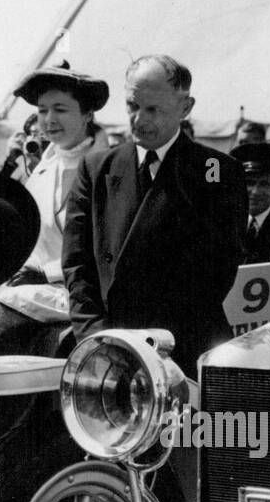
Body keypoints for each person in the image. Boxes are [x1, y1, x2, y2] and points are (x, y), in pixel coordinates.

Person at [0, 65, 113, 445]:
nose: (49, 120)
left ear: (87, 114)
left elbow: (101, 251)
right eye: (43, 111)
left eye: (60, 110)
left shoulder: (105, 167)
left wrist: (43, 273)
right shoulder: (46, 161)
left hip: (79, 292)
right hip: (38, 283)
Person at [62, 54, 246, 376]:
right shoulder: (95, 169)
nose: (138, 120)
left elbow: (217, 272)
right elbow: (77, 267)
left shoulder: (215, 170)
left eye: (153, 110)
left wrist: (154, 347)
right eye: (132, 106)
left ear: (185, 108)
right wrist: (97, 339)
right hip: (110, 349)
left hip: (182, 349)